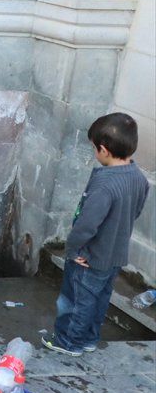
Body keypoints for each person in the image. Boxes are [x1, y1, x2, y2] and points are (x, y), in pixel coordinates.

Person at [42, 113, 149, 356]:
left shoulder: (104, 185)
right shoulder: (139, 178)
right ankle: (90, 339)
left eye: (94, 148)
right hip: (115, 254)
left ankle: (69, 342)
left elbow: (87, 225)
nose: (94, 153)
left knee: (76, 301)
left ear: (104, 149)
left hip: (89, 257)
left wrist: (73, 249)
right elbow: (137, 211)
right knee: (100, 299)